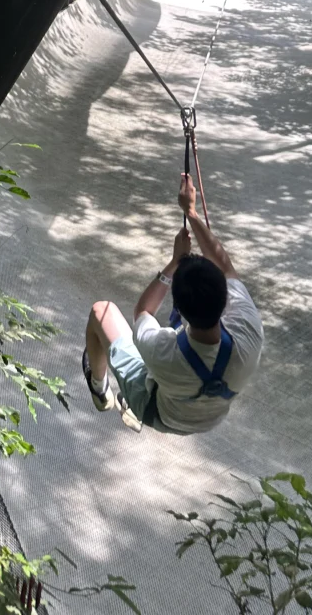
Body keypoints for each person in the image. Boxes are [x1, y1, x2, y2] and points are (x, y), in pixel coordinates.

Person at [81, 173, 263, 434]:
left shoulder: (162, 351)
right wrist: (192, 213)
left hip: (158, 411)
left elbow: (142, 311)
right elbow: (226, 266)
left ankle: (100, 390)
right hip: (209, 419)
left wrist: (176, 261)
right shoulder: (249, 331)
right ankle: (120, 395)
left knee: (101, 311)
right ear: (226, 298)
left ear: (178, 306)